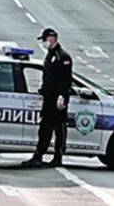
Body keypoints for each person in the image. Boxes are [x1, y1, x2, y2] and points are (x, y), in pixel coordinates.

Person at [22, 28, 73, 168]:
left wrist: (63, 96)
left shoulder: (62, 56)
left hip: (58, 99)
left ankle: (58, 156)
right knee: (45, 129)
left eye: (45, 39)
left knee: (59, 129)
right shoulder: (50, 55)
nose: (44, 43)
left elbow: (66, 79)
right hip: (48, 99)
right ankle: (38, 155)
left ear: (52, 38)